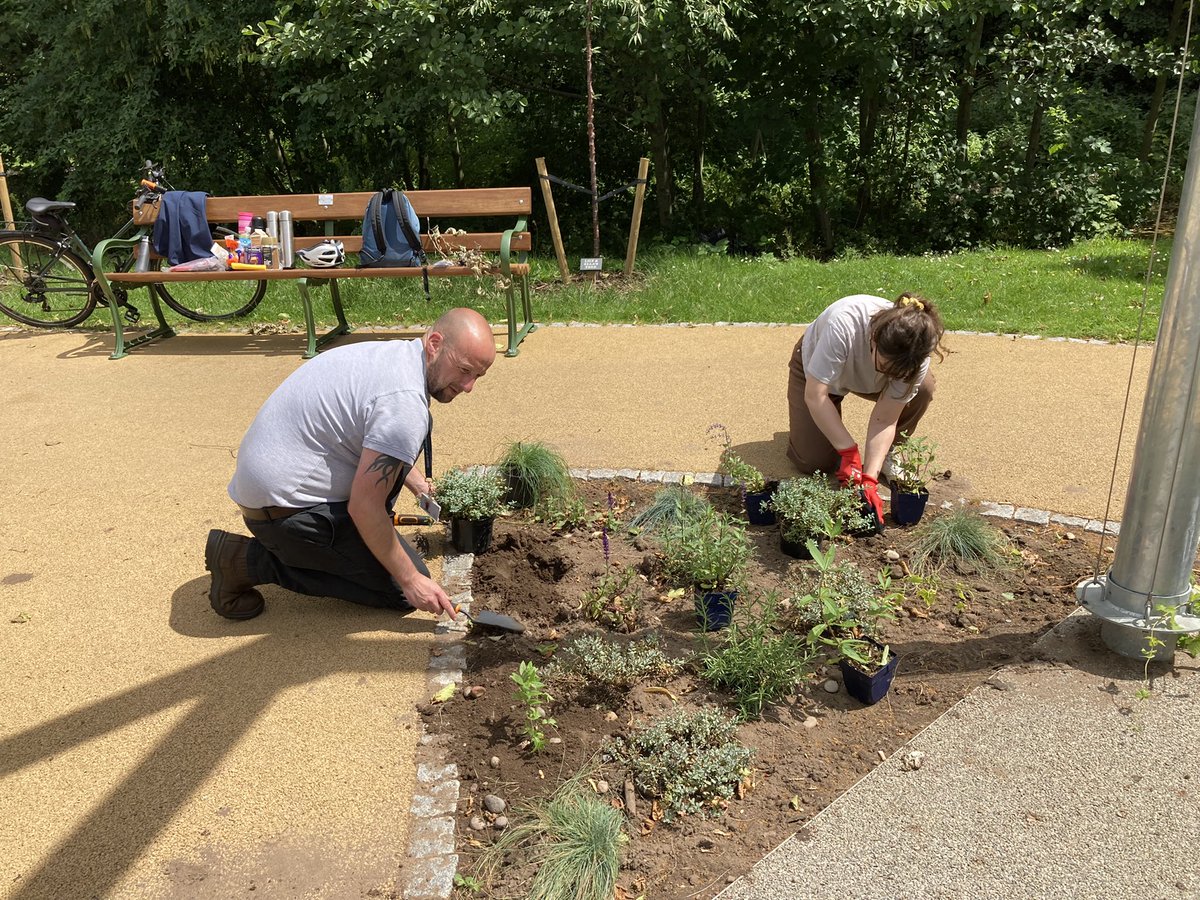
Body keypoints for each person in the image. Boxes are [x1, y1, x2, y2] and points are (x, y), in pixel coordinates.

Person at [204, 307, 497, 621]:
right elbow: (364, 507)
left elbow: (373, 436)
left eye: (477, 376)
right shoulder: (404, 404)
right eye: (465, 370)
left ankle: (308, 546)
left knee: (391, 555)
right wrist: (411, 580)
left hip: (272, 493)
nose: (468, 386)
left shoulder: (396, 358)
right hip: (284, 515)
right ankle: (244, 560)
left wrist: (418, 486)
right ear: (435, 344)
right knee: (400, 591)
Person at [786, 292, 945, 527]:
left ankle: (887, 455)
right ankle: (818, 440)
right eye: (886, 367)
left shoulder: (915, 354)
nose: (891, 377)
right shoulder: (843, 324)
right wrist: (849, 452)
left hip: (867, 380)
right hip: (819, 378)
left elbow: (884, 419)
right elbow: (816, 396)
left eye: (898, 374)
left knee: (923, 388)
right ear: (873, 338)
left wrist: (869, 478)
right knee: (814, 462)